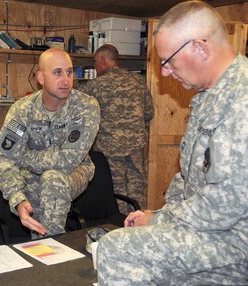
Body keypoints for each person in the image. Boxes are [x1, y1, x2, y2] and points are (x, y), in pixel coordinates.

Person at [96, 2, 248, 285]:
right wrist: (158, 213)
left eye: (168, 61)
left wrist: (160, 222)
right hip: (213, 230)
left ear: (200, 48)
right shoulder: (208, 98)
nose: (164, 72)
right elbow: (188, 178)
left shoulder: (241, 101)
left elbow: (222, 207)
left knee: (116, 250)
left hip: (236, 242)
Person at [0, 48, 100, 237]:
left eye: (69, 72)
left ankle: (51, 247)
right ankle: (44, 251)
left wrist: (23, 157)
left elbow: (69, 159)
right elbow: (4, 158)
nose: (66, 79)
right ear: (41, 77)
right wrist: (17, 198)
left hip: (75, 172)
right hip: (31, 177)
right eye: (58, 72)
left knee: (52, 180)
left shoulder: (85, 106)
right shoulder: (23, 109)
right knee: (33, 199)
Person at [78, 44, 154, 213]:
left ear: (104, 60)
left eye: (96, 62)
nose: (96, 67)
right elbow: (149, 113)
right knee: (137, 187)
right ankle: (139, 225)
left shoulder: (96, 85)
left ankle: (119, 227)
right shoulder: (138, 81)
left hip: (110, 149)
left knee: (115, 190)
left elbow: (76, 108)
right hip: (136, 147)